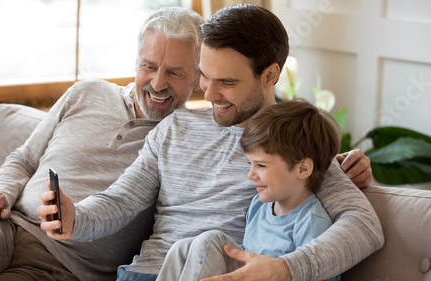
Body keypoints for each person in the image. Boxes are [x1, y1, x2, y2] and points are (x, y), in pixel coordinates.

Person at [38, 4, 382, 281]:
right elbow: (122, 200)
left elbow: (364, 228)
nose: (209, 93)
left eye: (227, 82)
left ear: (270, 75)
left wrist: (286, 269)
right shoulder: (174, 127)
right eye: (204, 76)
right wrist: (75, 218)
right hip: (144, 273)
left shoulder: (294, 144)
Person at [0, 7, 205, 281]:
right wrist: (0, 192)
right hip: (8, 228)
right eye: (149, 66)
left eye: (174, 73)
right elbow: (25, 159)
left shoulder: (185, 137)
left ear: (198, 78)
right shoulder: (86, 92)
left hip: (64, 264)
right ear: (136, 62)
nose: (158, 83)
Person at [157, 99, 342, 281]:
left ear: (302, 169)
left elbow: (318, 272)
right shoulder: (259, 206)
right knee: (184, 247)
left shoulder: (312, 222)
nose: (251, 175)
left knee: (209, 241)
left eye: (261, 165)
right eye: (250, 164)